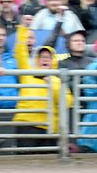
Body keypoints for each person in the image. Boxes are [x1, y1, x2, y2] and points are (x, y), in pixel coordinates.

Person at [11, 18, 73, 148]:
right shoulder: (27, 72)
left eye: (48, 57)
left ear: (53, 61)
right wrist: (24, 27)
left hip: (49, 128)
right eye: (42, 57)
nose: (45, 59)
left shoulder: (58, 80)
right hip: (26, 126)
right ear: (37, 60)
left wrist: (53, 84)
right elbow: (20, 51)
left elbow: (67, 102)